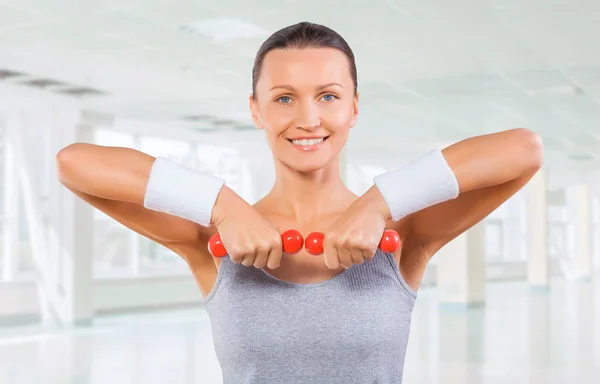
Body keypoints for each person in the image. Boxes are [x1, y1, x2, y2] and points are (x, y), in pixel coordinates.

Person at [56, 21, 543, 384]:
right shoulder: (212, 238)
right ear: (256, 109)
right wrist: (221, 204)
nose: (308, 118)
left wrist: (377, 203)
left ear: (354, 106)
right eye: (284, 98)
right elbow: (75, 163)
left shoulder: (401, 234)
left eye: (328, 96)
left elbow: (523, 149)